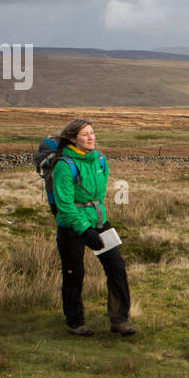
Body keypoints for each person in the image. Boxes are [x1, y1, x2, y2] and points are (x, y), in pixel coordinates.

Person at [52, 118, 135, 336]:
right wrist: (84, 229)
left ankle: (120, 320)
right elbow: (65, 206)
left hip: (98, 222)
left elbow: (98, 195)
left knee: (116, 267)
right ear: (72, 139)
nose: (91, 137)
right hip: (71, 227)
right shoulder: (64, 165)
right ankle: (75, 322)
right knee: (74, 273)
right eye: (85, 134)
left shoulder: (100, 160)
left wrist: (95, 224)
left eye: (92, 133)